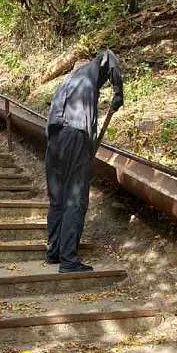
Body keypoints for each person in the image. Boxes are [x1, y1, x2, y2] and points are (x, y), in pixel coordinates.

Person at [45, 49, 124, 272]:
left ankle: (54, 253)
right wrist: (119, 92)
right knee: (75, 198)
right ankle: (69, 260)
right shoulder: (92, 70)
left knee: (58, 198)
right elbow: (109, 56)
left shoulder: (68, 83)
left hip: (54, 139)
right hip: (74, 136)